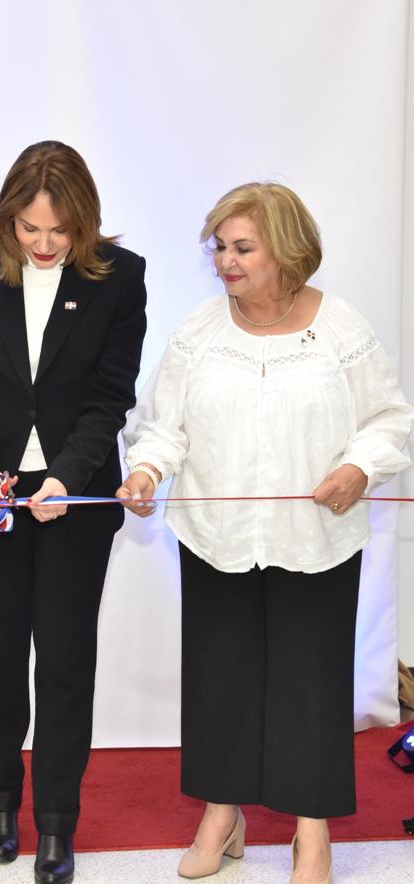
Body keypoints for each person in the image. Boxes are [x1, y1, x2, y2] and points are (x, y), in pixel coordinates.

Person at [118, 182, 414, 883]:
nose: (225, 260)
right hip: (215, 535)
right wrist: (147, 470)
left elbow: (389, 420)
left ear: (286, 251)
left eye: (243, 247)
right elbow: (162, 424)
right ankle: (222, 815)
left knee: (311, 684)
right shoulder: (199, 331)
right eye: (219, 247)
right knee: (219, 679)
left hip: (316, 539)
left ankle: (312, 834)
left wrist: (358, 468)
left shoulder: (340, 328)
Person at [0, 140, 147, 884]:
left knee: (63, 664)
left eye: (61, 230)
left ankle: (57, 821)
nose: (46, 244)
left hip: (73, 499)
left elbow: (110, 396)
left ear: (85, 221)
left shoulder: (121, 276)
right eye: (30, 229)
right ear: (7, 219)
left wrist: (66, 475)